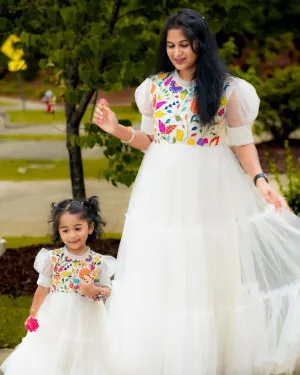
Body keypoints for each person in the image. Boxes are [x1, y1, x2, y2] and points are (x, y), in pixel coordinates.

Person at [93, 9, 300, 375]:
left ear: (200, 44)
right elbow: (150, 140)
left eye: (184, 44)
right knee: (164, 264)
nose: (177, 52)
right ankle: (166, 356)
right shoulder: (153, 87)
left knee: (208, 264)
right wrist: (117, 130)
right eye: (171, 45)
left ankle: (213, 354)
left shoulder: (226, 88)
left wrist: (261, 180)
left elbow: (243, 144)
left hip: (210, 186)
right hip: (162, 186)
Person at [1, 196, 116, 375]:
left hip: (88, 319)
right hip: (57, 314)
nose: (72, 235)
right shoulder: (53, 259)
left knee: (85, 352)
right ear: (59, 232)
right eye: (65, 230)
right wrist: (33, 314)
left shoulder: (98, 261)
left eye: (78, 228)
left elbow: (107, 291)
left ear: (90, 228)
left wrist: (95, 291)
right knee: (55, 350)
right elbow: (43, 288)